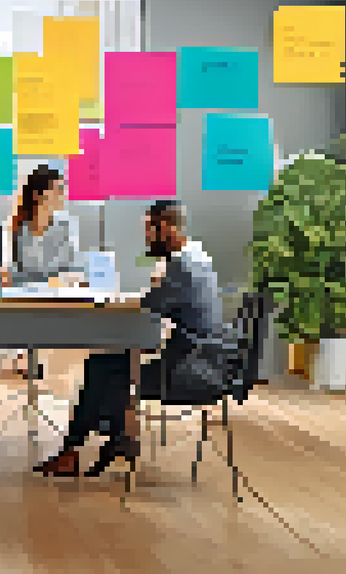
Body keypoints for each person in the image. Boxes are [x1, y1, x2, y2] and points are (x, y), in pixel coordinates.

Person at [35, 199, 224, 478]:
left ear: (168, 228)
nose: (146, 237)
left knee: (105, 371)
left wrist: (148, 289)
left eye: (150, 229)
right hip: (200, 358)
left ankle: (92, 445)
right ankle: (114, 438)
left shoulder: (183, 266)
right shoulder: (195, 257)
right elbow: (158, 305)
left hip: (189, 369)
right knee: (103, 366)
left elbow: (150, 305)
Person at [0, 165, 84, 378]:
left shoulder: (66, 225)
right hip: (26, 295)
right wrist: (16, 276)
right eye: (58, 189)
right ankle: (26, 356)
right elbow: (12, 270)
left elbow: (70, 268)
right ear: (39, 195)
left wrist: (27, 277)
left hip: (58, 294)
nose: (63, 194)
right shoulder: (18, 226)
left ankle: (34, 357)